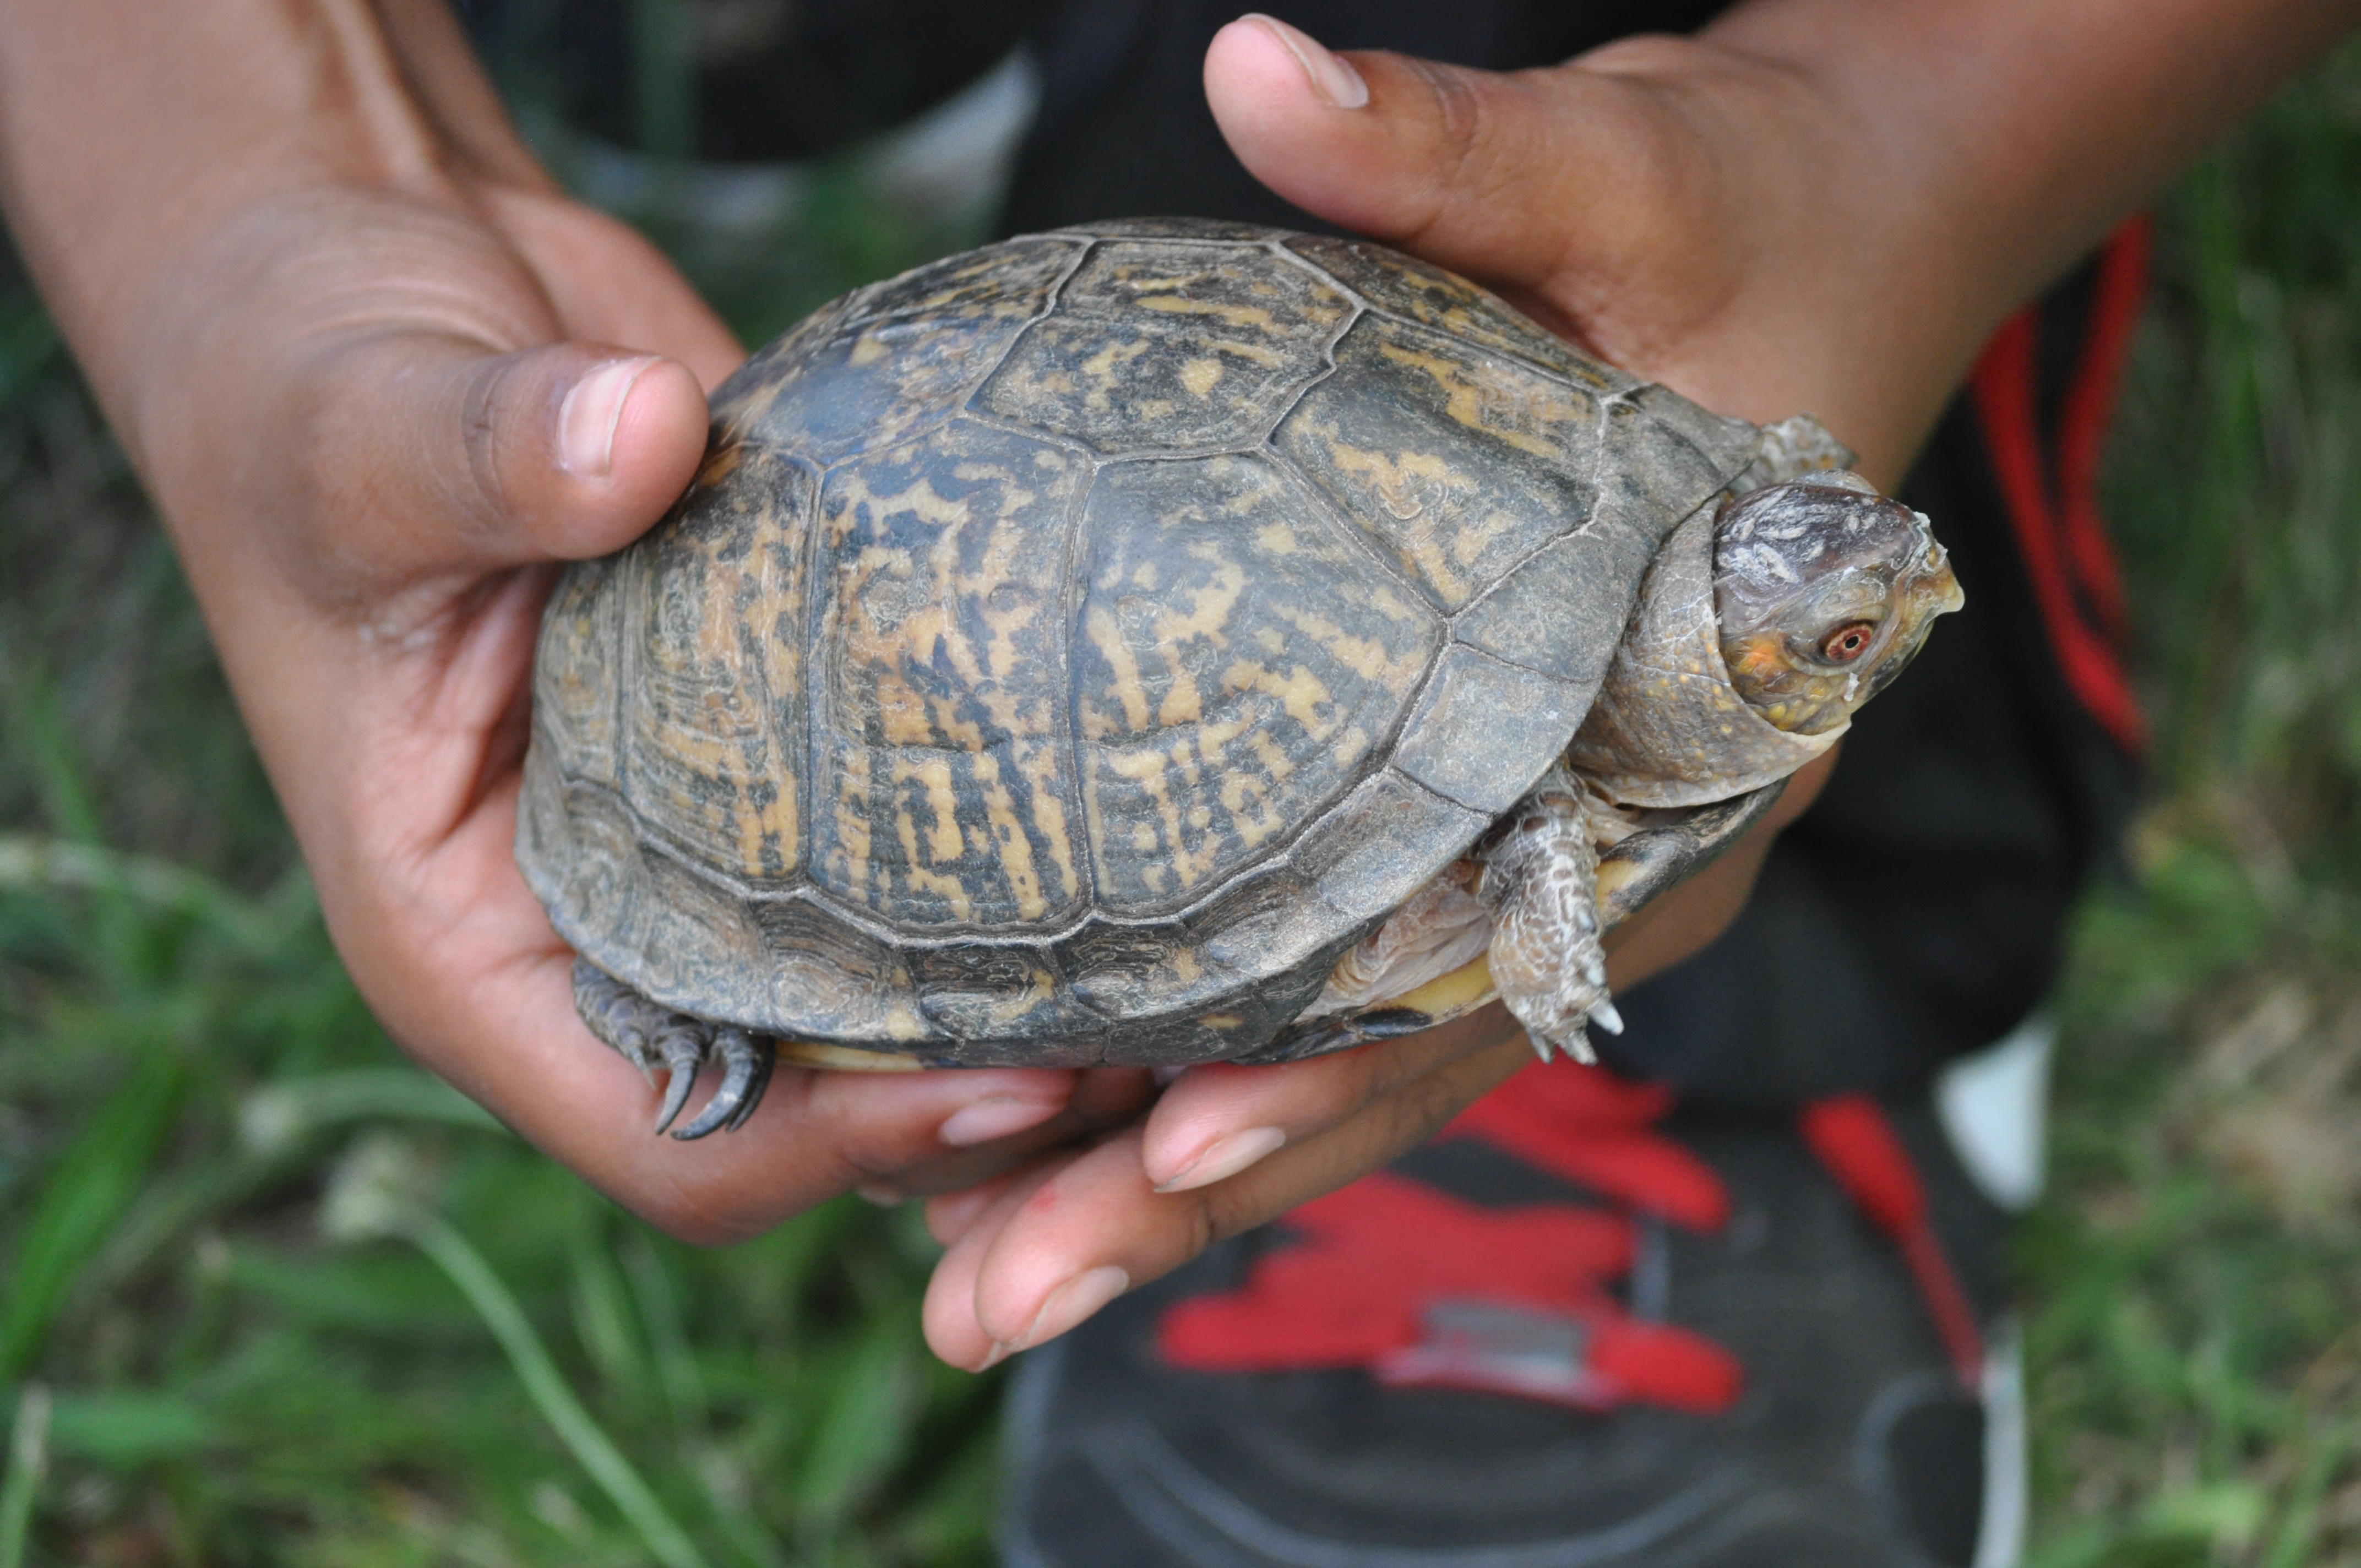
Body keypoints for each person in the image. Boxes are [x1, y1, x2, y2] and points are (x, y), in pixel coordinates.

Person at [0, 1, 2349, 1562]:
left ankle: (1760, 1031)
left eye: (1828, 607)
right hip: (790, 637)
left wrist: (1884, 147)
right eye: (1819, 634)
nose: (1850, 611)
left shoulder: (1655, 517)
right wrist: (244, 196)